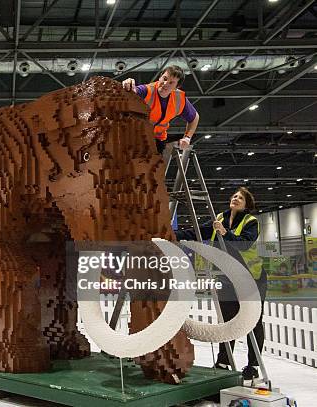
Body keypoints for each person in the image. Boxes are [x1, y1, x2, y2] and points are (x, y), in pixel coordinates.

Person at [175, 187, 267, 381]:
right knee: (227, 319)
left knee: (254, 321)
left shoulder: (251, 222)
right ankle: (223, 360)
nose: (236, 198)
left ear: (247, 204)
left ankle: (253, 364)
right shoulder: (220, 219)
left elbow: (245, 243)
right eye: (234, 196)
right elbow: (198, 231)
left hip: (252, 276)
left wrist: (225, 233)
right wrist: (173, 234)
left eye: (241, 197)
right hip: (227, 276)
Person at [122, 65, 200, 154]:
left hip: (157, 140)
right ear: (160, 77)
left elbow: (194, 118)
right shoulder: (147, 90)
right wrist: (129, 86)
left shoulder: (179, 99)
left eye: (171, 82)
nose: (165, 83)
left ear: (176, 87)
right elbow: (133, 92)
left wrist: (187, 137)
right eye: (165, 78)